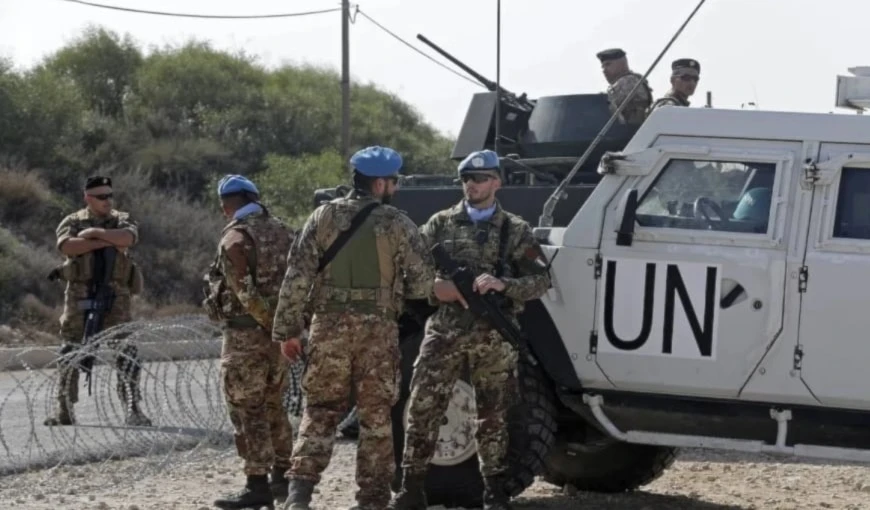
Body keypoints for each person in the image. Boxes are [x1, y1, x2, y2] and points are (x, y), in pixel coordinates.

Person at [388, 150, 551, 510]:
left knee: (493, 415)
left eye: (480, 179)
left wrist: (503, 284)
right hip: (444, 332)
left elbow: (542, 280)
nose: (472, 186)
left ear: (497, 182)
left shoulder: (516, 229)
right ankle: (412, 488)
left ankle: (493, 490)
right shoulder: (440, 224)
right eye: (467, 179)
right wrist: (436, 289)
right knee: (422, 408)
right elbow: (408, 273)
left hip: (492, 336)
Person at [274, 146, 435, 510]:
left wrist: (287, 331)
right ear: (379, 183)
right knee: (376, 415)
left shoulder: (321, 217)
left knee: (319, 411)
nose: (395, 187)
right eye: (393, 181)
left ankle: (298, 495)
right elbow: (424, 283)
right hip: (377, 330)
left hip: (327, 327)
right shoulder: (396, 222)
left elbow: (296, 277)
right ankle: (372, 500)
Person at [203, 174, 298, 509]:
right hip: (281, 340)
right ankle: (282, 479)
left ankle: (256, 485)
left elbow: (245, 294)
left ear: (228, 204)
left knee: (248, 409)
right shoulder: (286, 231)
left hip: (246, 337)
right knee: (275, 404)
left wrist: (271, 324)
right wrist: (286, 329)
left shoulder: (235, 238)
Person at [45, 175, 151, 428]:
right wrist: (106, 242)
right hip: (80, 294)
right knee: (70, 351)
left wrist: (94, 235)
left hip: (116, 296)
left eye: (110, 195)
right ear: (88, 198)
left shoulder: (122, 219)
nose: (107, 201)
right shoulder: (72, 221)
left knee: (126, 352)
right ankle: (65, 409)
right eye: (101, 196)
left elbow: (127, 238)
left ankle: (133, 408)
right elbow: (68, 247)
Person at [596, 47, 653, 125]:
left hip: (632, 131)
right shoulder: (631, 80)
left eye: (608, 64)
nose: (604, 70)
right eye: (603, 67)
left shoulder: (628, 81)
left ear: (622, 64)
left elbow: (610, 108)